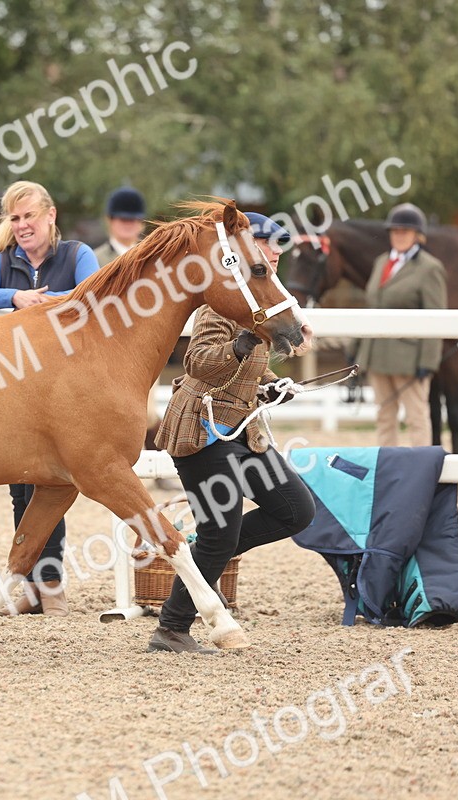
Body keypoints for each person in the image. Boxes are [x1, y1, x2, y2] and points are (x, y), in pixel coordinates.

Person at [147, 213, 316, 653]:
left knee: (296, 511)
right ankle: (172, 627)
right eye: (267, 243)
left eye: (280, 244)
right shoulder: (219, 303)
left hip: (244, 430)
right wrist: (238, 345)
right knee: (219, 534)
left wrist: (268, 387)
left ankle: (206, 558)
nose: (276, 251)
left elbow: (240, 377)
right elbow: (198, 363)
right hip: (201, 432)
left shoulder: (265, 303)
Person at [0, 180, 100, 616]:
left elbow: (93, 293)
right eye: (15, 218)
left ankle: (52, 583)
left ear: (50, 216)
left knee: (53, 485)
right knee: (19, 490)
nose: (22, 226)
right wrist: (15, 296)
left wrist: (42, 303)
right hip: (14, 388)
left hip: (66, 388)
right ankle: (30, 586)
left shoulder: (77, 254)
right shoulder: (5, 262)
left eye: (29, 217)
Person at [356, 203, 447, 447]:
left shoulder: (429, 268)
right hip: (377, 354)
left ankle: (420, 466)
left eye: (405, 231)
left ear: (417, 235)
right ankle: (387, 465)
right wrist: (358, 349)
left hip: (409, 357)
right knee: (384, 417)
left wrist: (428, 361)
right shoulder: (381, 262)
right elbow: (371, 306)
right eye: (395, 231)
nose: (399, 236)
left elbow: (435, 317)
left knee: (416, 416)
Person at [92, 186, 146, 267]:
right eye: (123, 219)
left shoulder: (150, 257)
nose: (128, 224)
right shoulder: (95, 260)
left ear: (141, 222)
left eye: (132, 219)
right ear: (109, 220)